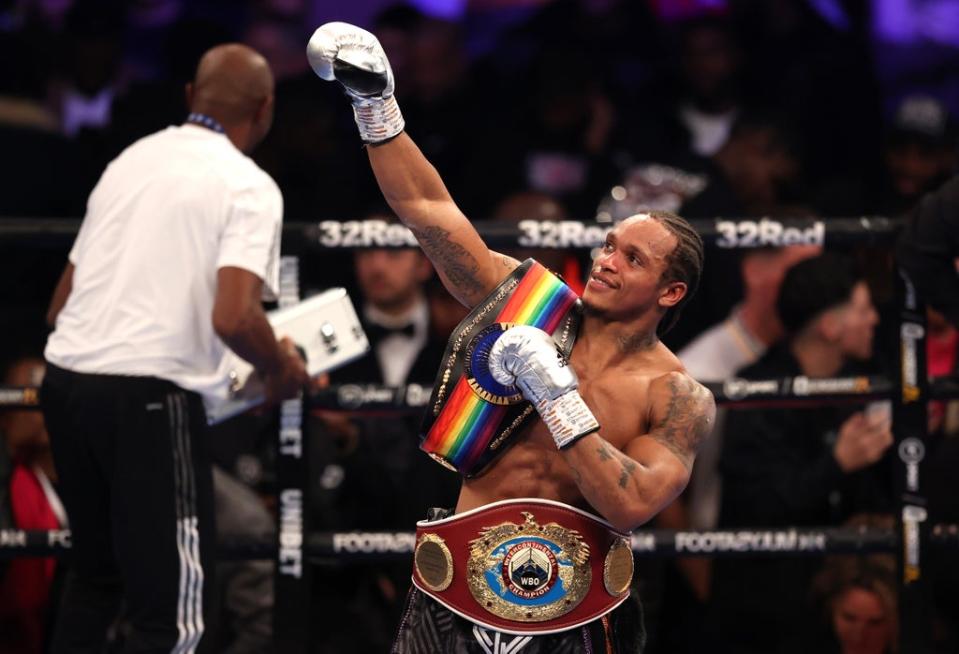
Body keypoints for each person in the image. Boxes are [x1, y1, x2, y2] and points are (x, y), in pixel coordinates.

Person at [308, 22, 715, 653]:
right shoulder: (533, 306)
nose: (607, 261)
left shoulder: (678, 394)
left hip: (576, 614)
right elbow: (430, 210)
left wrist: (556, 396)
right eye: (609, 246)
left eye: (633, 259)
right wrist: (376, 108)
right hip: (456, 592)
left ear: (671, 293)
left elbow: (632, 503)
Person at [40, 44, 309, 653]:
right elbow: (235, 316)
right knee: (176, 615)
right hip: (147, 399)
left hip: (65, 384)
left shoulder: (131, 160)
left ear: (191, 95)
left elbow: (60, 304)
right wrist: (281, 367)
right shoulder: (248, 185)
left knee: (95, 581)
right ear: (265, 110)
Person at [707, 253, 893, 653]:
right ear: (830, 326)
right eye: (863, 309)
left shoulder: (862, 382)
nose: (874, 319)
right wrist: (836, 464)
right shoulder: (757, 391)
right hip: (768, 614)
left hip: (836, 594)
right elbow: (754, 509)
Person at [0, 356, 65, 654]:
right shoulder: (13, 484)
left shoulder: (97, 479)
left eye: (45, 396)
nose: (40, 410)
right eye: (29, 396)